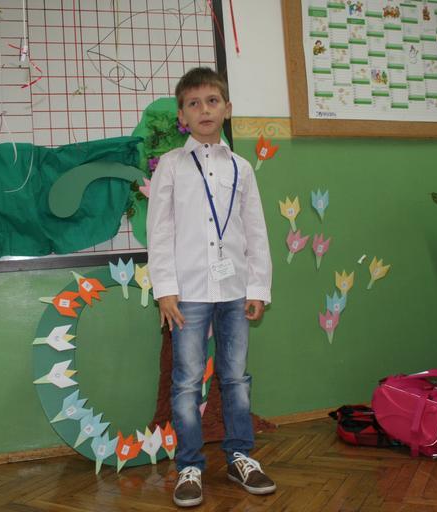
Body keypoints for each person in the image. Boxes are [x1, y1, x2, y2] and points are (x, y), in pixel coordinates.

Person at [146, 67, 275, 507]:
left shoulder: (242, 168)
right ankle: (189, 465)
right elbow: (160, 231)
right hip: (188, 293)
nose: (204, 109)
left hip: (235, 290)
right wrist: (165, 289)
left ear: (227, 109)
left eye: (212, 101)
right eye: (194, 103)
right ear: (182, 115)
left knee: (235, 377)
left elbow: (255, 231)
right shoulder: (171, 166)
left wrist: (258, 287)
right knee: (186, 383)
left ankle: (241, 457)